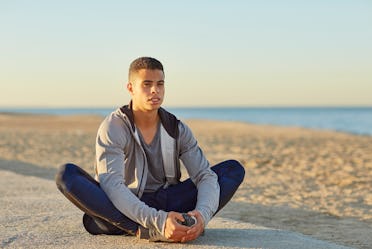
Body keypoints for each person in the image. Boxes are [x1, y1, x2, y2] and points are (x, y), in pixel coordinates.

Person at [55, 57, 245, 243]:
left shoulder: (176, 128)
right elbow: (112, 185)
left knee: (232, 170)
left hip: (170, 201)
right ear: (130, 88)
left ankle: (178, 225)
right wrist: (159, 222)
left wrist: (201, 217)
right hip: (128, 203)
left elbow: (204, 175)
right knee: (67, 175)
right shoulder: (114, 126)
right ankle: (142, 230)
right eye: (146, 84)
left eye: (160, 84)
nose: (155, 90)